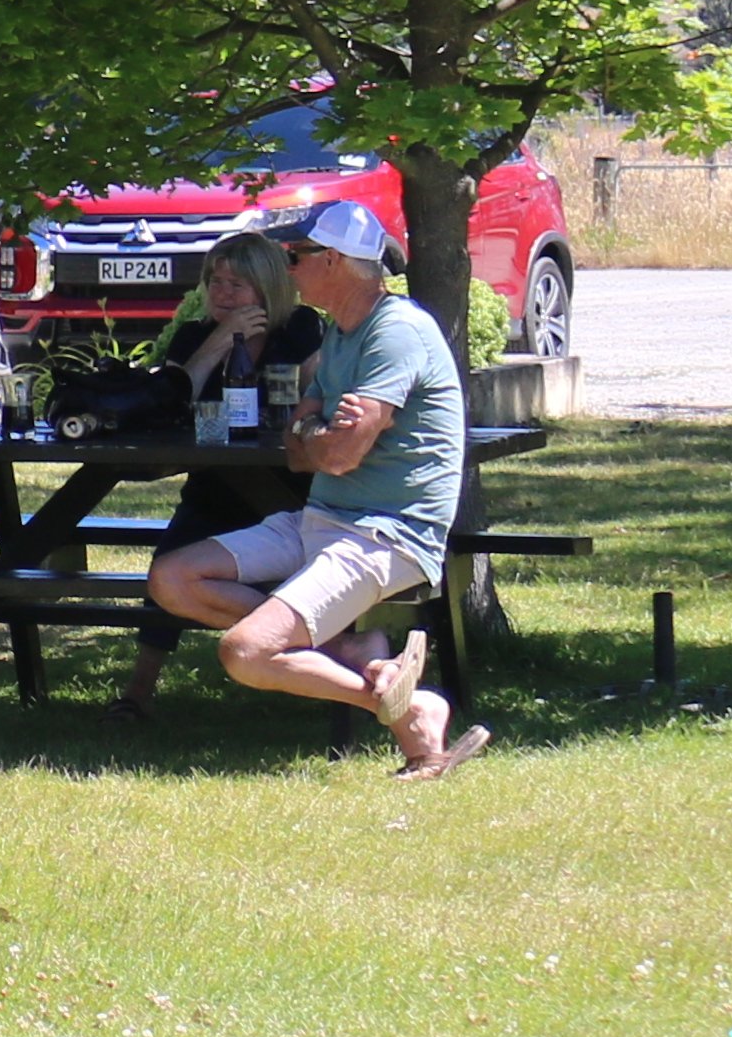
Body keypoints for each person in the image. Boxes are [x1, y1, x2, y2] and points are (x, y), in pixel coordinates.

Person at [146, 199, 483, 776]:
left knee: (245, 652)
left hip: (386, 537)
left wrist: (318, 434)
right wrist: (317, 430)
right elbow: (300, 451)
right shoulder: (342, 331)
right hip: (319, 519)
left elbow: (339, 453)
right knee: (171, 577)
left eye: (296, 255)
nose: (288, 267)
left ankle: (407, 707)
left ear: (335, 261)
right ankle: (361, 661)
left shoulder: (397, 332)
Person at [117, 231, 325, 721]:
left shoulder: (299, 328)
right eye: (216, 282)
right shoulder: (194, 334)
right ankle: (137, 691)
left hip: (288, 492)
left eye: (237, 285)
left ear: (268, 289)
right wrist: (215, 344)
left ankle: (310, 654)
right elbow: (166, 407)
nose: (223, 295)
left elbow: (314, 395)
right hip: (213, 486)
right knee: (169, 561)